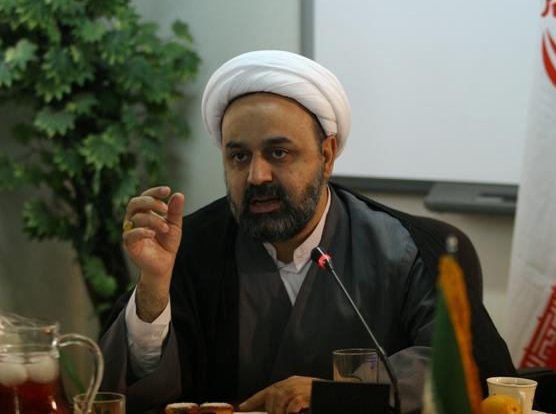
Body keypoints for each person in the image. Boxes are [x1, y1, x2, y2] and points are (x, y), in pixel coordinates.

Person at [100, 50, 516, 414]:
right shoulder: (191, 248)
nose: (257, 175)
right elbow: (134, 391)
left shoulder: (404, 250)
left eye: (278, 152)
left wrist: (338, 393)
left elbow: (459, 365)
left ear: (327, 155)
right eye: (239, 156)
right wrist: (154, 287)